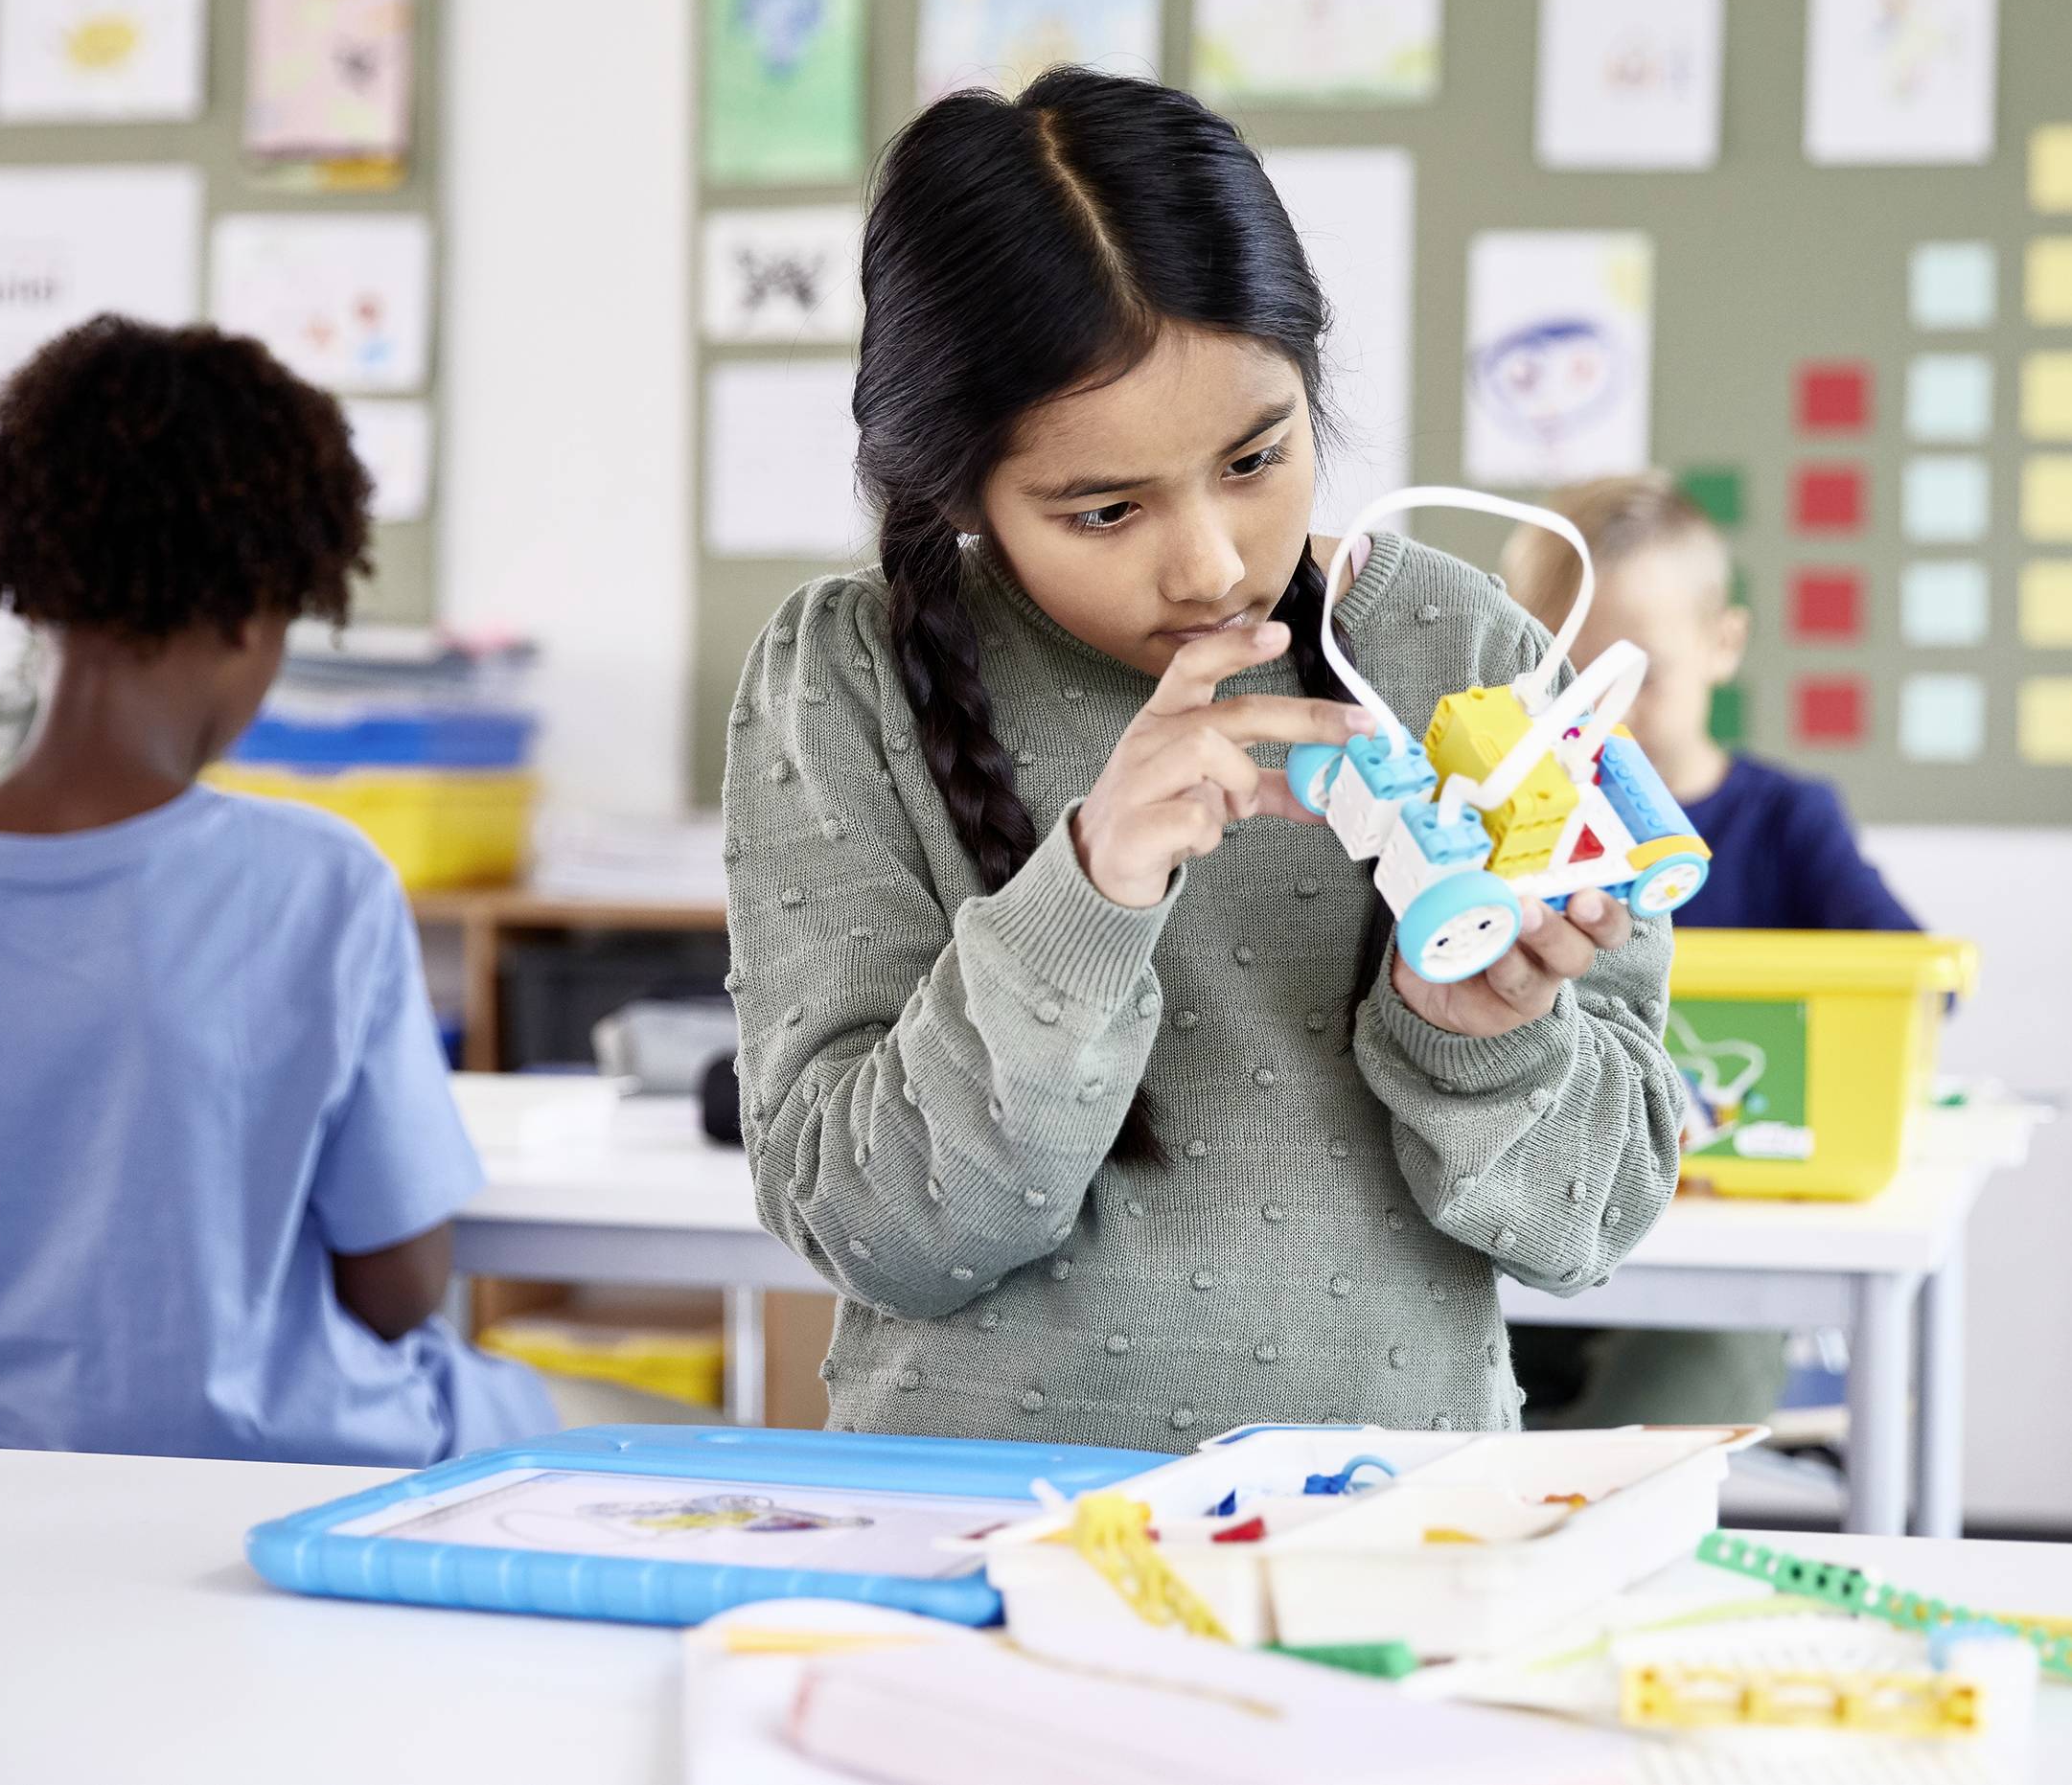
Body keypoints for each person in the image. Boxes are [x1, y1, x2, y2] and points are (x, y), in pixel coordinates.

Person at [721, 70, 1684, 1453]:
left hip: (1392, 1533)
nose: (1214, 561)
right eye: (1103, 508)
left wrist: (1481, 1041)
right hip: (972, 1530)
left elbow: (1591, 1222)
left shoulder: (1463, 654)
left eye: (1256, 456)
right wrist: (1089, 893)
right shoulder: (847, 679)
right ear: (957, 487)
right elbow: (875, 1230)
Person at [0, 316, 553, 1467]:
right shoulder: (321, 885)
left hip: (20, 1494)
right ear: (250, 607)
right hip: (319, 1484)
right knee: (658, 1440)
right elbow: (396, 1289)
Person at [1499, 473, 1921, 1427]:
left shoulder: (1785, 820)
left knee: (1671, 1399)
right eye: (1561, 671)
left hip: (1726, 1246)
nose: (1598, 708)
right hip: (1540, 1218)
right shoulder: (1500, 836)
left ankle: (1598, 1539)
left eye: (1637, 669)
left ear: (1721, 646)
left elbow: (1911, 981)